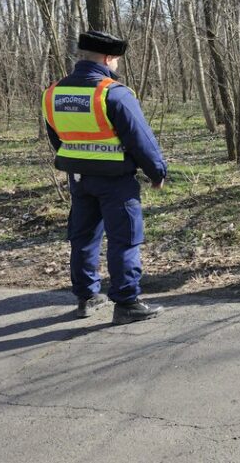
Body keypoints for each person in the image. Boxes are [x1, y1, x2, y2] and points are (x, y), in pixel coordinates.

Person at [42, 30, 167, 324]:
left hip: (79, 179)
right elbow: (140, 140)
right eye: (117, 60)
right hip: (116, 181)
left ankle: (87, 297)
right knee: (124, 239)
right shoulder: (113, 93)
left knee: (83, 237)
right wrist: (157, 172)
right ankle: (126, 303)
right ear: (109, 58)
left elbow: (57, 138)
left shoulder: (54, 93)